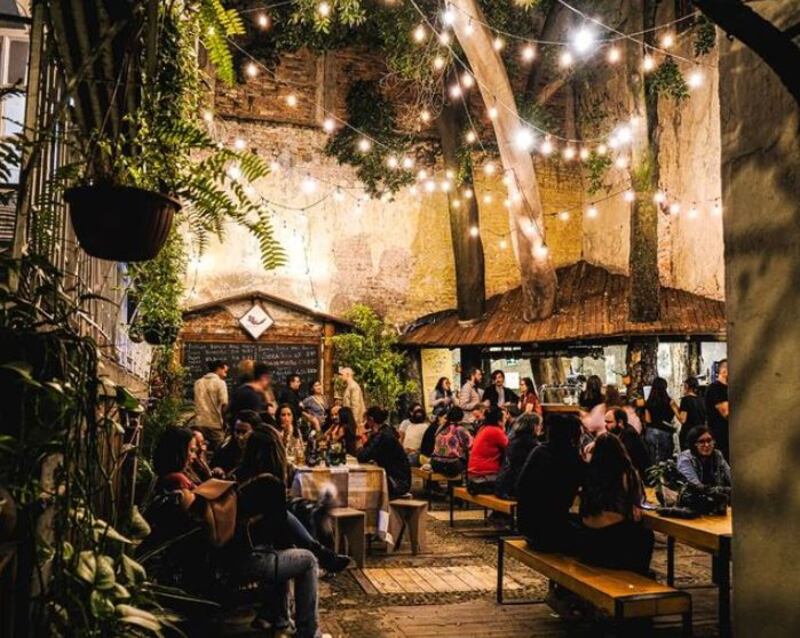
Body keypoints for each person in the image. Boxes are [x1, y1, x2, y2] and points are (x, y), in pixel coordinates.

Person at [579, 433, 654, 575]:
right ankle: (639, 573)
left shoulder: (589, 471)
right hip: (614, 536)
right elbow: (638, 500)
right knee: (646, 535)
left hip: (588, 536)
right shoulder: (626, 473)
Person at [516, 415, 585, 552]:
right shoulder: (570, 457)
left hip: (527, 526)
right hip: (549, 531)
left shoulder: (539, 451)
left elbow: (520, 486)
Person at [357, 406, 411, 498]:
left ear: (371, 420)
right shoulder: (385, 431)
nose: (366, 424)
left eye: (366, 421)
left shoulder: (383, 435)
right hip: (399, 479)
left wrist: (361, 436)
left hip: (397, 483)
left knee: (363, 482)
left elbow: (363, 456)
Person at [495, 413, 541, 500]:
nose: (540, 428)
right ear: (534, 426)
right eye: (539, 425)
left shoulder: (514, 439)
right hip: (512, 489)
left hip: (502, 485)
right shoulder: (530, 443)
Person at [466, 406, 508, 493]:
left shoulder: (483, 428)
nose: (506, 419)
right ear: (499, 420)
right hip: (483, 477)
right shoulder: (495, 431)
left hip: (473, 475)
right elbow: (510, 448)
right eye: (504, 417)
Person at [192, 360, 229, 452]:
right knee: (220, 452)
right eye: (225, 370)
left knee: (201, 451)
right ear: (219, 368)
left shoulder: (198, 382)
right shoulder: (220, 383)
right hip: (214, 424)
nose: (226, 374)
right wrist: (225, 423)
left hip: (199, 423)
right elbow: (224, 405)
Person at [604, 409, 651, 481]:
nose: (606, 425)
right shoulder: (620, 432)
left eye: (609, 422)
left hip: (639, 479)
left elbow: (623, 458)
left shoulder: (629, 434)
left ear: (620, 422)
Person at [429, 406, 472, 478]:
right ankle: (460, 483)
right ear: (461, 418)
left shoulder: (441, 427)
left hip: (435, 464)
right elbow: (470, 444)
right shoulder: (459, 429)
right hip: (452, 466)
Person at [213, 410, 259, 476]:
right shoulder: (225, 448)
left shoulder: (261, 453)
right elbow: (216, 465)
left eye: (244, 432)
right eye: (237, 432)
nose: (240, 437)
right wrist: (218, 469)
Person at [644, 377, 677, 463]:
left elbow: (648, 420)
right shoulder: (669, 401)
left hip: (651, 431)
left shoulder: (649, 402)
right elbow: (677, 413)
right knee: (665, 460)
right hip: (665, 430)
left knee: (653, 460)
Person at [705, 360, 730, 460]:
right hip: (720, 438)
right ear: (724, 371)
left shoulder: (728, 389)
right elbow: (726, 413)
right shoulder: (715, 389)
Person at [677, 376, 707, 450]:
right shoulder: (702, 400)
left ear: (686, 386)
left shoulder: (685, 400)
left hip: (688, 435)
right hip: (700, 433)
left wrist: (674, 408)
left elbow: (683, 420)